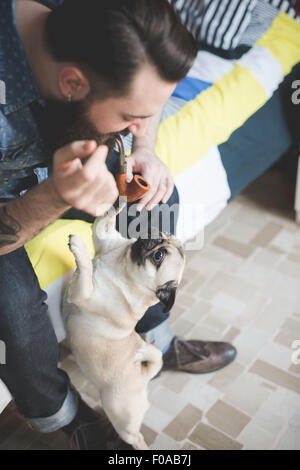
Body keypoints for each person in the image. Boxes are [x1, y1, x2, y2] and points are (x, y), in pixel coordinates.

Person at [0, 0, 236, 450]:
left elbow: (146, 99)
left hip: (63, 160)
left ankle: (157, 340)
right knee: (12, 310)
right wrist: (53, 198)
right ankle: (64, 418)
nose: (140, 125)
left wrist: (143, 142)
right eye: (132, 116)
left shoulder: (108, 25)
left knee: (159, 200)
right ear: (71, 83)